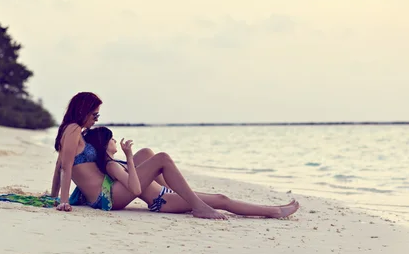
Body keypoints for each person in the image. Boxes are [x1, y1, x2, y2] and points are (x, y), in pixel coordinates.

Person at [50, 92, 227, 219]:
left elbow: (59, 167)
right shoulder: (73, 129)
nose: (96, 119)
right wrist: (63, 201)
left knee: (145, 154)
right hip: (106, 196)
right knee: (162, 158)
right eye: (95, 114)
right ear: (83, 111)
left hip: (105, 191)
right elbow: (65, 167)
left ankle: (173, 192)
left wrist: (53, 195)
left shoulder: (68, 132)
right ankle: (196, 206)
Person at [81, 126, 300, 218]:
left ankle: (186, 194)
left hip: (163, 194)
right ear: (103, 145)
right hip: (161, 202)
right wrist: (129, 156)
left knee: (148, 152)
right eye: (111, 139)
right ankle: (274, 212)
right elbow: (135, 187)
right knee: (221, 199)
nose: (114, 141)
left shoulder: (112, 164)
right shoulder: (112, 165)